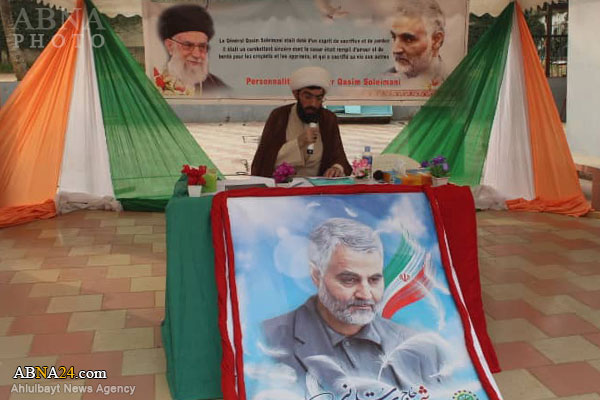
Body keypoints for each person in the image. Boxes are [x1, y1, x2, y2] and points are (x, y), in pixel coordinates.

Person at [262, 218, 445, 393]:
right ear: (317, 276)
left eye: (374, 280)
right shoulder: (267, 342)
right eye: (349, 280)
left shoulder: (423, 351)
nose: (365, 294)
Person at [251, 66, 352, 178]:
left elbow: (339, 156)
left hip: (317, 185)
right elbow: (264, 161)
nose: (313, 104)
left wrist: (337, 168)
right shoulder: (279, 116)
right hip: (283, 184)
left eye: (319, 98)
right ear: (296, 94)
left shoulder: (328, 118)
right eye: (308, 97)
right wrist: (300, 141)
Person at [154, 4, 228, 96]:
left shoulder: (219, 88)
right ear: (170, 46)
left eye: (202, 46)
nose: (196, 54)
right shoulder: (154, 82)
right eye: (188, 45)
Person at [386, 0, 446, 87]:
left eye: (408, 39)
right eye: (394, 37)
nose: (395, 49)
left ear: (436, 40)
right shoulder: (383, 79)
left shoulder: (456, 81)